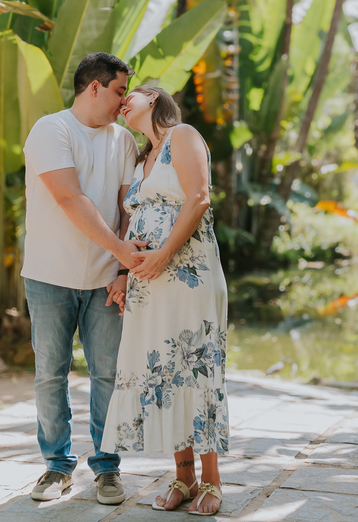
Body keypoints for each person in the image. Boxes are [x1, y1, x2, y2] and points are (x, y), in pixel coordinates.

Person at [21, 52, 147, 505]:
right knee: (50, 375)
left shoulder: (124, 142)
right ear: (93, 87)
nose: (123, 101)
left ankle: (107, 468)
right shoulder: (50, 130)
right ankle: (56, 467)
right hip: (49, 276)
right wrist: (126, 256)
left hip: (104, 281)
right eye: (118, 91)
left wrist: (120, 270)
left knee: (109, 375)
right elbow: (69, 198)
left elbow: (128, 207)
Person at [100, 86, 229, 516]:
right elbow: (134, 220)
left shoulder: (184, 135)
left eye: (129, 95)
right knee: (163, 372)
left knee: (195, 369)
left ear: (153, 97)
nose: (122, 102)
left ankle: (212, 481)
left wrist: (163, 255)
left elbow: (198, 198)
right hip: (148, 283)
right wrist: (123, 274)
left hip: (188, 275)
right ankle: (184, 476)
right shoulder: (141, 159)